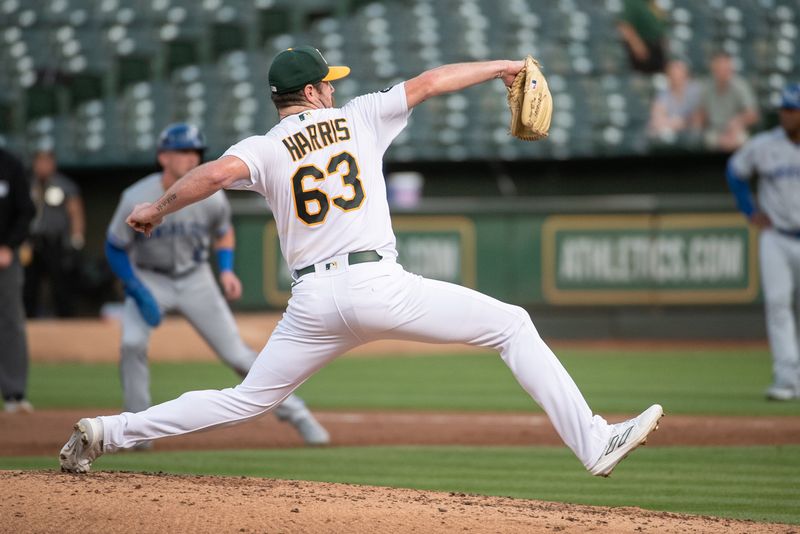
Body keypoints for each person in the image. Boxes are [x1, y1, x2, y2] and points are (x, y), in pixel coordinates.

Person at [60, 46, 663, 475]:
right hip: (380, 286)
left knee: (248, 399)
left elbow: (213, 175)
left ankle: (108, 432)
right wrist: (502, 68)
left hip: (313, 305)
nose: (336, 89)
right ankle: (593, 443)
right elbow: (429, 82)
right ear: (316, 91)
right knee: (512, 325)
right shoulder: (360, 117)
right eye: (330, 82)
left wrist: (156, 208)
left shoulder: (265, 147)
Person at [99, 122, 330, 448]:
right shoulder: (135, 197)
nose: (192, 158)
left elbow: (223, 232)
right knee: (132, 344)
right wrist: (136, 289)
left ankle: (299, 415)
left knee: (236, 353)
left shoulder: (209, 197)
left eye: (196, 152)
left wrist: (226, 270)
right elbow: (114, 246)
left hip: (195, 278)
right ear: (163, 157)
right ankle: (136, 432)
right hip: (149, 277)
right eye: (183, 151)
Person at [726, 83, 800, 401]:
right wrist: (749, 210)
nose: (785, 114)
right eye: (783, 109)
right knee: (778, 305)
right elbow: (735, 171)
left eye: (791, 109)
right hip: (777, 236)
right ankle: (787, 379)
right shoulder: (765, 145)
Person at [23, 149, 86, 318]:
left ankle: (66, 322)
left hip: (55, 241)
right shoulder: (27, 184)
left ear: (53, 164)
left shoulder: (65, 185)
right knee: (29, 285)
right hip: (32, 242)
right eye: (39, 162)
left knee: (61, 284)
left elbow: (76, 212)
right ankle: (29, 321)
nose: (43, 166)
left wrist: (76, 237)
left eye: (47, 161)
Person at [0, 147, 36, 413]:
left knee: (11, 322)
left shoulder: (10, 163)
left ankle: (14, 394)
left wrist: (9, 245)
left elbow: (26, 210)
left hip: (4, 258)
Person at [695, 52, 759, 153]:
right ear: (713, 70)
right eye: (718, 69)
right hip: (714, 131)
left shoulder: (740, 86)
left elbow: (753, 115)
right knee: (707, 140)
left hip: (736, 130)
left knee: (742, 140)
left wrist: (738, 121)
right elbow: (700, 115)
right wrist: (697, 130)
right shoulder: (706, 87)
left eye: (725, 69)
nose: (722, 72)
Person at [647, 58, 702, 145]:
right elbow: (656, 121)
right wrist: (680, 122)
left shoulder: (695, 90)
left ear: (686, 75)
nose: (676, 77)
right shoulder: (663, 93)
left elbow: (698, 118)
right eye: (672, 73)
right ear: (668, 76)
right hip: (670, 134)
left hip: (691, 135)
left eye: (679, 73)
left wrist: (683, 122)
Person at [616, 0, 668, 74]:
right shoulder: (633, 2)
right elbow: (624, 26)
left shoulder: (653, 4)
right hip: (643, 49)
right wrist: (637, 45)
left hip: (657, 49)